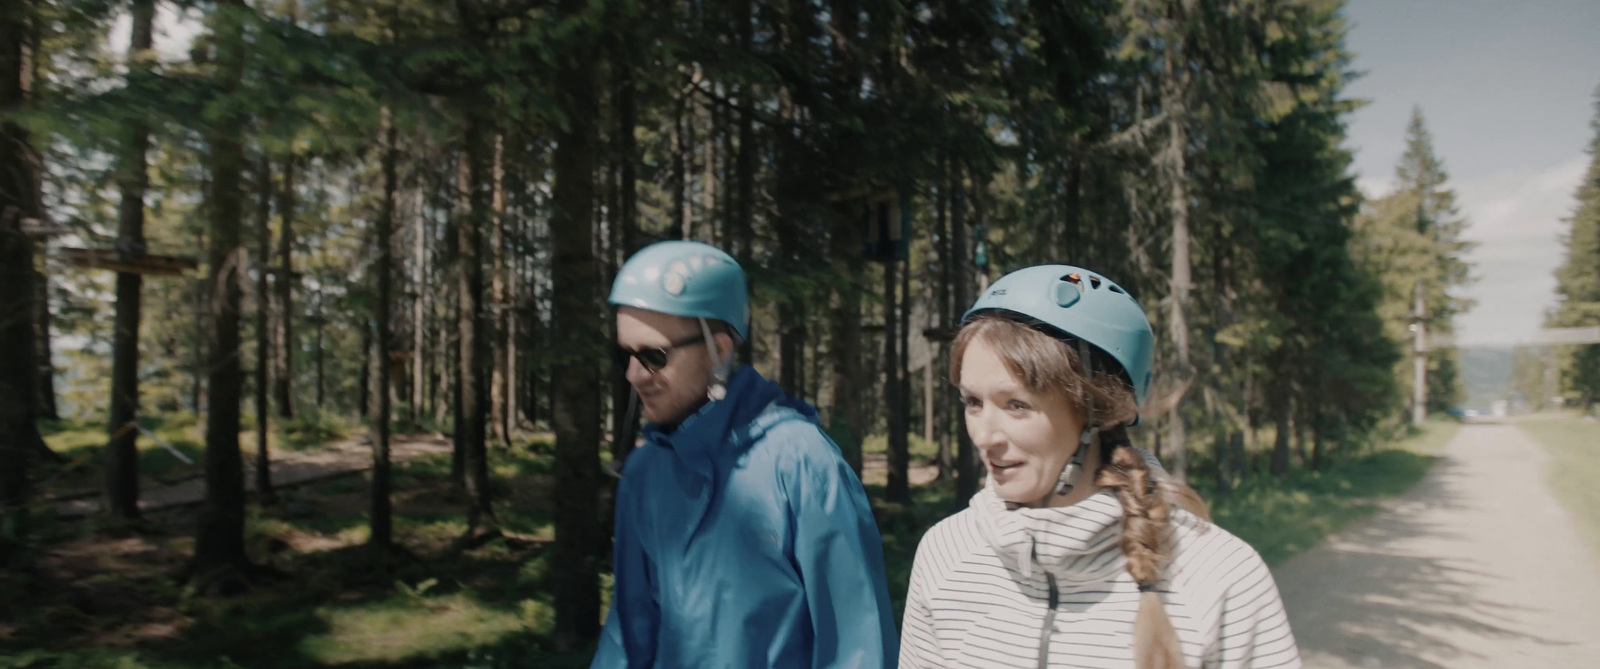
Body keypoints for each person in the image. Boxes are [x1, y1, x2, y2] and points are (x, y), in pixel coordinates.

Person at [899, 264, 1300, 669]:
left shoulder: (1220, 576)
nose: (984, 436)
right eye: (973, 403)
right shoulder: (946, 552)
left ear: (1100, 410)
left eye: (1016, 405)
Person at [592, 240, 899, 669]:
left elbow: (857, 647)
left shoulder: (803, 464)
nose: (634, 374)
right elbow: (627, 639)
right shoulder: (646, 472)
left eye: (653, 356)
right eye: (625, 354)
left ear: (719, 350)